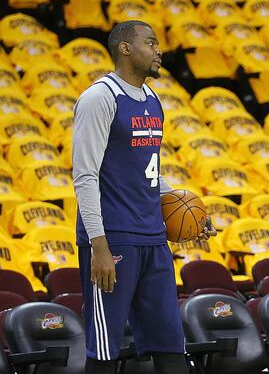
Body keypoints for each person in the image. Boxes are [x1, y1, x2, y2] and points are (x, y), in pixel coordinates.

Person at [73, 20, 216, 374]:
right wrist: (99, 246)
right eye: (150, 43)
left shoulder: (152, 100)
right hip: (115, 239)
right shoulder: (99, 98)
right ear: (125, 49)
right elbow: (85, 176)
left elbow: (147, 170)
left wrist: (192, 213)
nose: (159, 50)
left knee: (170, 346)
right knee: (104, 351)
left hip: (154, 237)